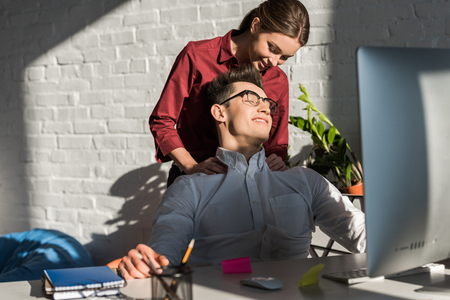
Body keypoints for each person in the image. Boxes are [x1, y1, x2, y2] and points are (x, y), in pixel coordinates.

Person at [119, 65, 366, 279]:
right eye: (250, 98)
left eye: (268, 103)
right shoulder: (189, 189)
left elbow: (361, 233)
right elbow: (164, 253)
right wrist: (146, 265)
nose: (265, 108)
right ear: (220, 113)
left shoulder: (306, 181)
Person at [149, 0, 310, 186]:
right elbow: (162, 121)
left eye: (284, 57)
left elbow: (277, 142)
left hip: (252, 183)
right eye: (273, 49)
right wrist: (192, 167)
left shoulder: (278, 80)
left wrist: (277, 159)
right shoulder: (197, 56)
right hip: (192, 178)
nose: (274, 62)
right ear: (256, 25)